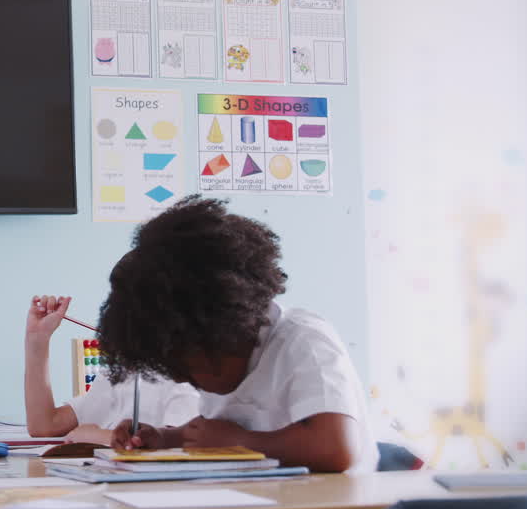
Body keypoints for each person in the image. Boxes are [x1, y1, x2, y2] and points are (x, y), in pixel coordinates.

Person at [100, 195, 377, 474]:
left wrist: (240, 442)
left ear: (222, 334)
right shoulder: (223, 361)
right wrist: (165, 437)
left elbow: (335, 449)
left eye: (188, 368)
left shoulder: (304, 342)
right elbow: (213, 428)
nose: (183, 379)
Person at [24, 295, 198, 444]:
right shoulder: (116, 376)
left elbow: (175, 444)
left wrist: (95, 436)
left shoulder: (183, 383)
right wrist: (37, 339)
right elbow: (45, 426)